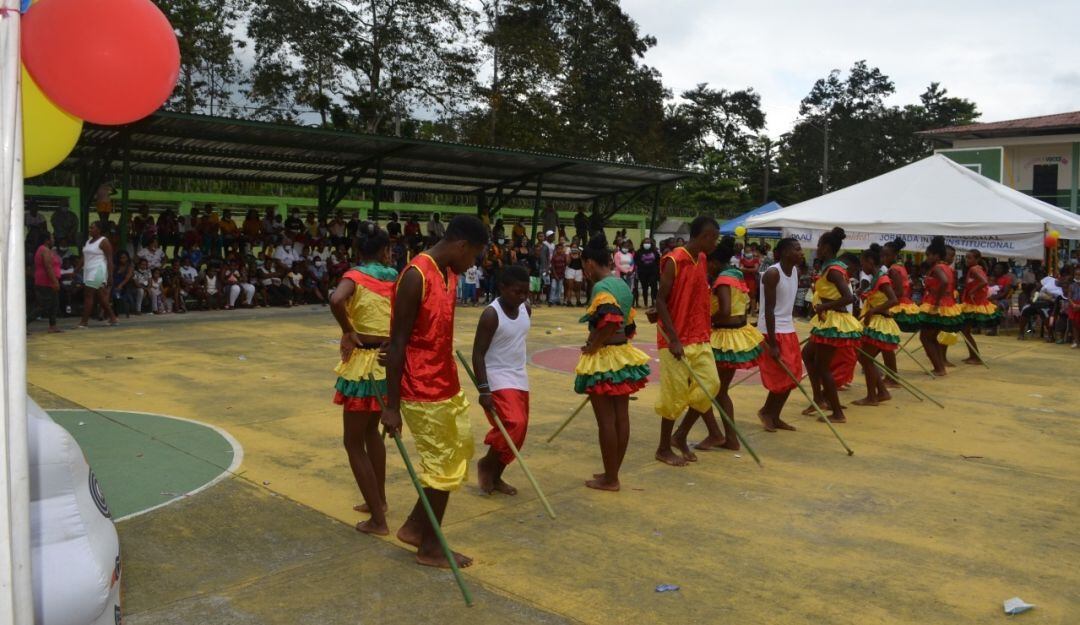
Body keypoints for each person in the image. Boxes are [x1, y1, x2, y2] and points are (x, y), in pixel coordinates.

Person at [381, 215, 488, 569]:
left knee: (459, 452)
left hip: (446, 381)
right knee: (442, 465)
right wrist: (391, 405)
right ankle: (430, 547)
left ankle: (415, 526)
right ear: (461, 246)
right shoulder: (415, 276)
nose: (474, 263)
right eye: (474, 255)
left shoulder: (450, 273)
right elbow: (396, 344)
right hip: (420, 388)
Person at [330, 222, 397, 536]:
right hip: (388, 361)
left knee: (353, 442)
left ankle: (379, 522)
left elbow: (335, 300)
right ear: (385, 251)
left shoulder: (354, 276)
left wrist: (347, 329)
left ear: (358, 251)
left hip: (365, 363)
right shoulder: (395, 277)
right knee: (372, 434)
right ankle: (378, 502)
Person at [573, 234, 650, 491]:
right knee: (621, 418)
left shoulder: (600, 288)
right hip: (622, 354)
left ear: (590, 263)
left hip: (605, 357)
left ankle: (611, 478)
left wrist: (593, 345)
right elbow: (628, 325)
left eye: (584, 265)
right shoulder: (622, 284)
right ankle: (612, 471)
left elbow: (611, 320)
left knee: (606, 421)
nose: (585, 270)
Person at [654, 216, 722, 465]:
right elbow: (660, 300)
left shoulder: (702, 259)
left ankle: (680, 435)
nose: (716, 243)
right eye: (714, 238)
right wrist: (673, 338)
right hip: (675, 338)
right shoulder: (674, 260)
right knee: (674, 394)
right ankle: (663, 448)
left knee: (710, 385)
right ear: (704, 236)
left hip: (699, 335)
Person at [470, 265, 532, 496]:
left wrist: (524, 300)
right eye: (517, 292)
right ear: (502, 287)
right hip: (497, 377)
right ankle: (487, 465)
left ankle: (496, 475)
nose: (523, 296)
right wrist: (484, 389)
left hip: (519, 376)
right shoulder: (491, 314)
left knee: (519, 432)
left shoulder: (526, 308)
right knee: (514, 424)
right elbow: (477, 354)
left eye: (526, 292)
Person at [695, 236, 763, 444]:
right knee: (720, 390)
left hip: (724, 336)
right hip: (736, 334)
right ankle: (730, 438)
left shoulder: (723, 280)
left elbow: (724, 310)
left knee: (704, 387)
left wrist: (706, 321)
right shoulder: (737, 275)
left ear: (714, 263)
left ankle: (716, 434)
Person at [802, 228, 861, 423]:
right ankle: (819, 398)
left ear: (826, 248)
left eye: (819, 246)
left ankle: (837, 412)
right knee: (808, 355)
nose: (817, 249)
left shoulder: (834, 270)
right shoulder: (830, 267)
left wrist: (823, 306)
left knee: (822, 365)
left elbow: (848, 297)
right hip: (828, 318)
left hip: (834, 320)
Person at [853, 244, 900, 406]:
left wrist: (873, 311)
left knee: (865, 358)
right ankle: (881, 392)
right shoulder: (876, 277)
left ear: (870, 261)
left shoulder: (882, 277)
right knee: (865, 358)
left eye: (863, 263)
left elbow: (894, 299)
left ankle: (872, 396)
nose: (862, 266)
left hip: (880, 322)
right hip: (875, 321)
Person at [918, 236, 963, 375]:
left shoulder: (937, 267)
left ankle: (939, 368)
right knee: (931, 337)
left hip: (937, 306)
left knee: (925, 337)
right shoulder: (947, 267)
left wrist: (937, 301)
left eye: (928, 255)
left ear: (936, 255)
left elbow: (943, 282)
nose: (927, 258)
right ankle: (939, 366)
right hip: (946, 304)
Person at [959, 250, 999, 364]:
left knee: (965, 331)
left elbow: (984, 282)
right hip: (972, 303)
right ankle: (973, 355)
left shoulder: (974, 269)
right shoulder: (977, 268)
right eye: (966, 258)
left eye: (970, 258)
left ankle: (975, 356)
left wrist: (972, 291)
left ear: (977, 259)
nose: (967, 260)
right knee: (965, 331)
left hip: (973, 304)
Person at [78, 222, 119, 328]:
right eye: (89, 227)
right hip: (88, 271)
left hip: (98, 271)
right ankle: (113, 318)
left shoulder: (104, 241)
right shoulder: (88, 241)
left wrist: (110, 275)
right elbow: (84, 257)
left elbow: (110, 259)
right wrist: (75, 270)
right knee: (101, 297)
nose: (90, 229)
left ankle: (84, 322)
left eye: (92, 228)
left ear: (99, 230)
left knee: (88, 295)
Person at [29, 232, 62, 333]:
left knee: (54, 304)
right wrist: (54, 281)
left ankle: (53, 325)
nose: (53, 240)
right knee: (43, 305)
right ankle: (25, 322)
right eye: (52, 238)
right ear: (47, 240)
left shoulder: (49, 250)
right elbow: (48, 267)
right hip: (46, 282)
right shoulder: (44, 250)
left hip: (49, 281)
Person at [987, 262, 1015, 336]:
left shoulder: (1007, 279)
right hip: (990, 299)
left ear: (1003, 270)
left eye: (999, 268)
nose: (997, 270)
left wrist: (994, 298)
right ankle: (977, 327)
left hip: (1004, 300)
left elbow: (1005, 293)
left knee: (996, 306)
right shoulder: (991, 278)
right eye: (996, 268)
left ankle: (994, 329)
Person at [635, 238, 660, 308]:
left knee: (654, 287)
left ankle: (653, 302)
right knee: (644, 288)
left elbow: (658, 261)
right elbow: (636, 261)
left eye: (648, 242)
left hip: (653, 272)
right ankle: (645, 303)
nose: (647, 244)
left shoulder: (655, 252)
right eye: (645, 242)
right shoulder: (639, 252)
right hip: (643, 272)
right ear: (642, 244)